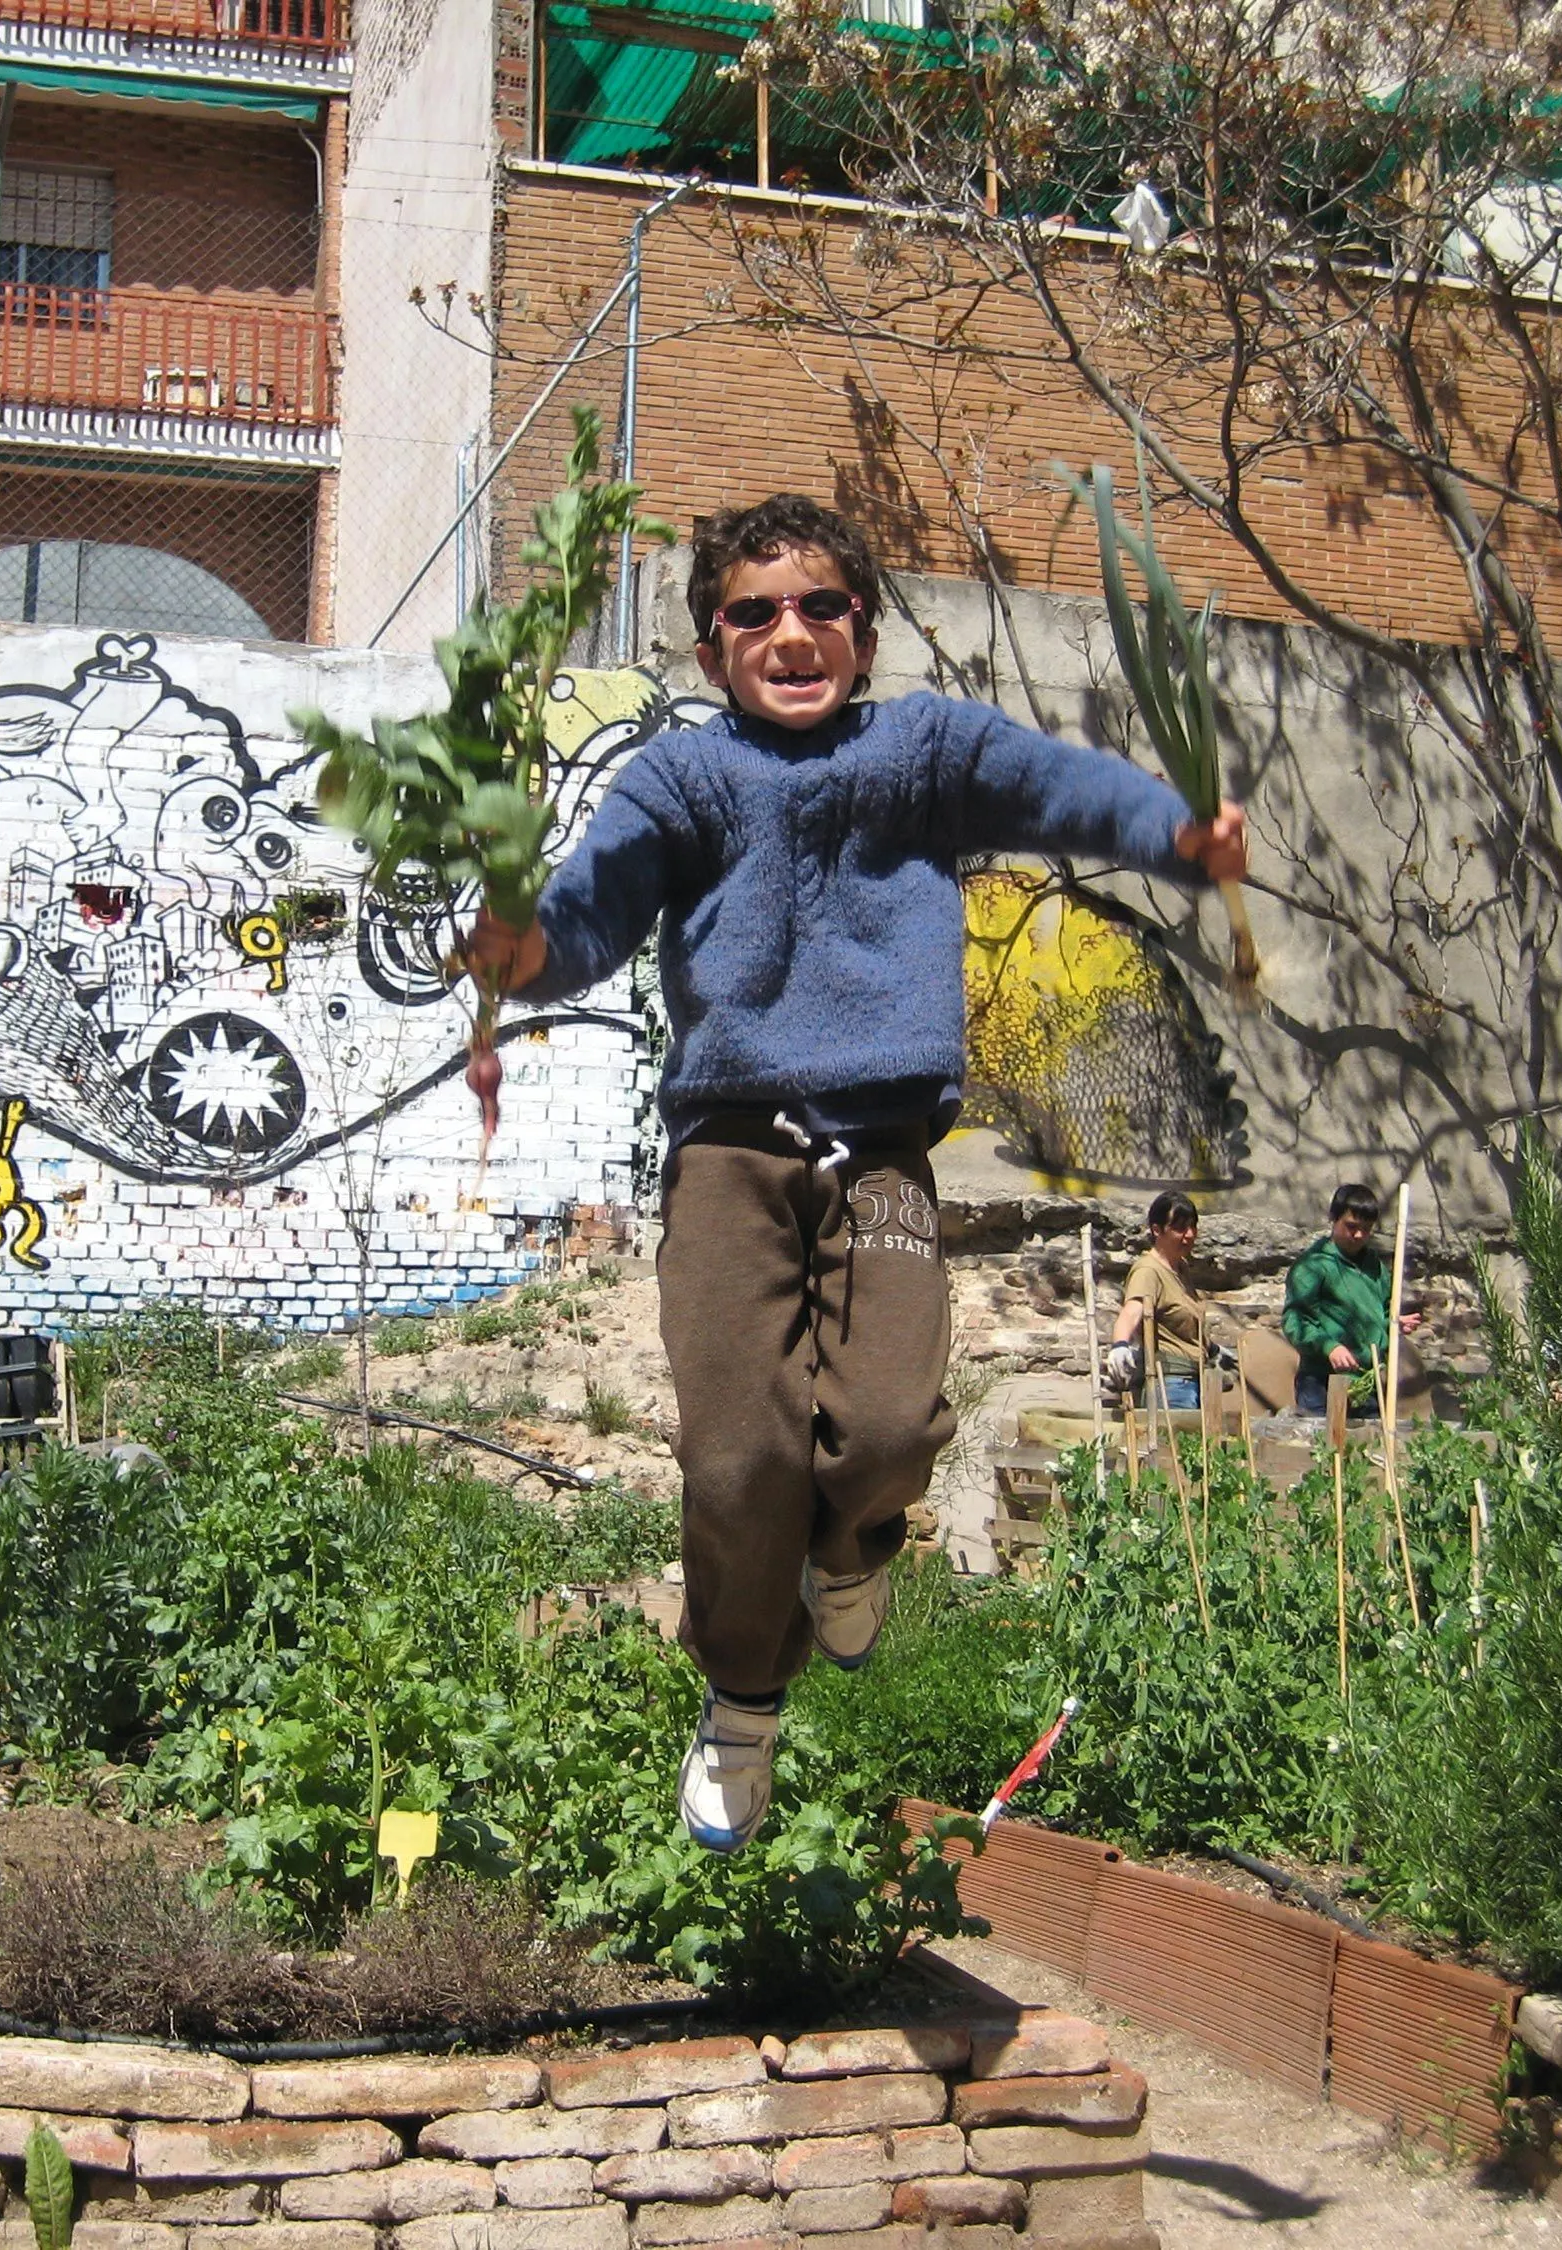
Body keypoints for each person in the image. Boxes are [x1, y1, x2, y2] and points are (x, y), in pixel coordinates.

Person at [461, 494, 1247, 1852]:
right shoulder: (684, 780)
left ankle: (853, 1548)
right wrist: (524, 952)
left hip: (880, 1155)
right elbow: (589, 906)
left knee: (884, 1429)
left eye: (821, 604)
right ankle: (743, 1700)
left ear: (865, 630)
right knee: (738, 1456)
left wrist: (1175, 830)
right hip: (732, 1157)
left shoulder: (924, 749)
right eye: (753, 612)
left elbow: (1062, 786)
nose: (791, 631)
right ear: (712, 651)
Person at [1281, 1182, 1422, 1418]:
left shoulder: (1375, 1267)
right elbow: (1295, 1321)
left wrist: (1395, 1323)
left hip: (1367, 1382)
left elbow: (1382, 1312)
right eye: (1351, 1226)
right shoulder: (1313, 1266)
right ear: (1334, 1219)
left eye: (1366, 1229)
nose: (1358, 1235)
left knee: (1369, 1449)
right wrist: (1330, 1347)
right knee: (1322, 1449)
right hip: (1320, 1384)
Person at [1104, 1191, 1214, 1413]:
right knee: (1173, 1446)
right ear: (1157, 1230)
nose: (1189, 1235)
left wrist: (1214, 1351)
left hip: (1194, 1383)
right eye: (1180, 1228)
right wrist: (1120, 1346)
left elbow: (1185, 1327)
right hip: (1171, 1386)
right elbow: (1132, 1311)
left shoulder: (1181, 1269)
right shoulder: (1149, 1271)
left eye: (1193, 1226)